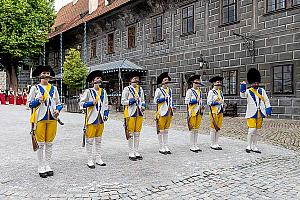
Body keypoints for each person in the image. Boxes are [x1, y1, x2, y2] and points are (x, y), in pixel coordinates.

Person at [27, 65, 63, 178]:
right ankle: (40, 166)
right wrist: (37, 101)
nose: (46, 75)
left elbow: (59, 103)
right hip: (39, 119)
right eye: (44, 73)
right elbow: (28, 104)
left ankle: (48, 165)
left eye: (48, 73)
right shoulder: (35, 88)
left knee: (49, 143)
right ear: (39, 75)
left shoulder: (54, 89)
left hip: (52, 118)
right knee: (41, 144)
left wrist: (58, 110)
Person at [80, 70, 109, 168]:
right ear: (93, 81)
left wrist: (106, 114)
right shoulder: (88, 91)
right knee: (90, 140)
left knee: (99, 140)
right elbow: (81, 104)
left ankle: (98, 158)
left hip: (100, 119)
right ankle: (89, 159)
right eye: (97, 78)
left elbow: (105, 104)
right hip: (91, 118)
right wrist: (91, 103)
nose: (99, 79)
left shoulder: (103, 92)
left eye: (100, 78)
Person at [240, 68, 272, 153]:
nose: (256, 84)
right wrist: (242, 86)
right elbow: (242, 95)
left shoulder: (262, 91)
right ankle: (248, 145)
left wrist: (268, 108)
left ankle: (254, 145)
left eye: (257, 83)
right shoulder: (248, 91)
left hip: (260, 113)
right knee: (252, 129)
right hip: (251, 113)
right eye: (254, 83)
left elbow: (266, 100)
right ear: (251, 83)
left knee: (256, 130)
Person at [121, 71, 145, 161]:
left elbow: (142, 100)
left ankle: (136, 151)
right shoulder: (127, 89)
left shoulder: (140, 89)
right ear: (130, 80)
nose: (136, 80)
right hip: (130, 113)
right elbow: (123, 101)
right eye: (134, 78)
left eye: (137, 78)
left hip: (139, 112)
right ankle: (131, 152)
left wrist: (143, 106)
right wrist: (131, 101)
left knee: (137, 133)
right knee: (130, 133)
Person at [154, 72, 175, 155]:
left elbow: (170, 100)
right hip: (161, 112)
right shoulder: (158, 90)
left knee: (166, 130)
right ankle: (161, 147)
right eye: (165, 80)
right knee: (161, 130)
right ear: (162, 81)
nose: (167, 81)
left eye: (167, 80)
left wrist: (172, 106)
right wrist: (163, 99)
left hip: (169, 111)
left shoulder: (169, 90)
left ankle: (166, 146)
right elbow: (155, 100)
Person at [185, 75, 205, 153]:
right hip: (192, 112)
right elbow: (186, 101)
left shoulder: (200, 91)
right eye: (196, 82)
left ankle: (195, 144)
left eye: (198, 81)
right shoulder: (190, 91)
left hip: (199, 111)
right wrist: (195, 101)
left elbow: (200, 101)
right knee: (192, 129)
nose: (197, 83)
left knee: (196, 129)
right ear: (193, 82)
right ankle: (191, 145)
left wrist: (201, 105)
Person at [207, 76, 224, 150]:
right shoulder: (211, 92)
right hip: (213, 111)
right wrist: (217, 103)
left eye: (220, 82)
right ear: (214, 83)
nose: (219, 83)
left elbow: (222, 101)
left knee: (218, 128)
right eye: (217, 82)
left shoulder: (220, 92)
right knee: (213, 128)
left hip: (220, 111)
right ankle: (212, 144)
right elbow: (209, 102)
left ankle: (216, 143)